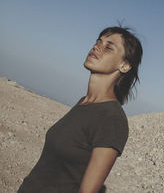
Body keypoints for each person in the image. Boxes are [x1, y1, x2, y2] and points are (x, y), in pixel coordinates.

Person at [18, 26, 143, 193]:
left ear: (124, 65)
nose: (96, 46)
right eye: (98, 41)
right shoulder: (84, 103)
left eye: (108, 47)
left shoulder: (112, 119)